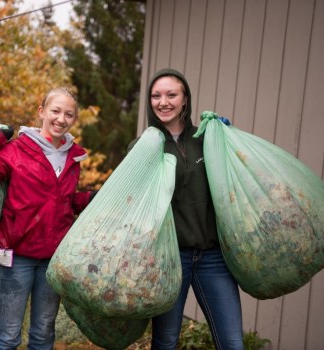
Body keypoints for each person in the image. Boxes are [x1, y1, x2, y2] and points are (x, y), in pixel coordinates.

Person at [0, 87, 96, 350]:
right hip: (15, 258)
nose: (61, 119)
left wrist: (87, 199)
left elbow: (59, 201)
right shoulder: (17, 149)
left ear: (74, 120)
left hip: (53, 260)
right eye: (55, 111)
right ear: (42, 112)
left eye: (69, 114)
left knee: (44, 335)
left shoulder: (73, 156)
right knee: (7, 336)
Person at [129, 68, 244, 350]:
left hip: (212, 257)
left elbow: (236, 176)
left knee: (232, 343)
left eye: (171, 94)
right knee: (165, 342)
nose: (163, 101)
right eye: (156, 96)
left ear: (185, 99)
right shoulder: (143, 146)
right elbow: (131, 203)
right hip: (169, 258)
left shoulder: (207, 138)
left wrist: (228, 136)